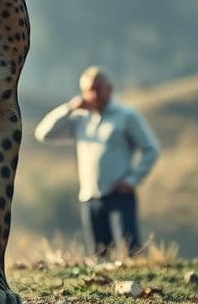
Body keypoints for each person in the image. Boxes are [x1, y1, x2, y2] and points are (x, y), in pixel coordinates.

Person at [34, 66, 160, 256]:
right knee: (99, 255)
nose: (93, 94)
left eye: (97, 88)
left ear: (109, 89)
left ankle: (140, 285)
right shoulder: (79, 120)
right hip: (90, 197)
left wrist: (132, 180)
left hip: (119, 195)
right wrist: (69, 108)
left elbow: (151, 148)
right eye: (88, 90)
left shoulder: (126, 116)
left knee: (130, 250)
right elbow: (43, 133)